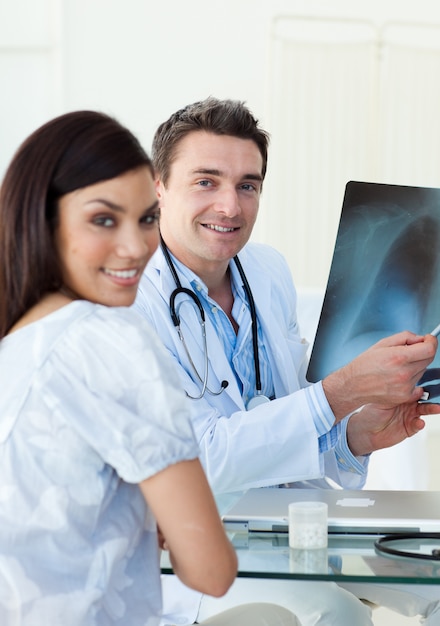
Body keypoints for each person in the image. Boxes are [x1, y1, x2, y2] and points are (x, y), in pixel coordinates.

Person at [133, 97, 440, 626]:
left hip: (298, 523)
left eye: (248, 185)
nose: (230, 207)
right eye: (206, 181)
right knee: (332, 614)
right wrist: (341, 391)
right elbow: (195, 464)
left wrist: (356, 437)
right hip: (193, 542)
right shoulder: (126, 302)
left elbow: (290, 427)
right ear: (158, 186)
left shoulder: (266, 271)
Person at [0, 110, 302, 626]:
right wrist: (164, 519)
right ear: (44, 220)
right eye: (102, 219)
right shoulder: (117, 342)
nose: (137, 247)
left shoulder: (18, 339)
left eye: (144, 220)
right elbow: (211, 570)